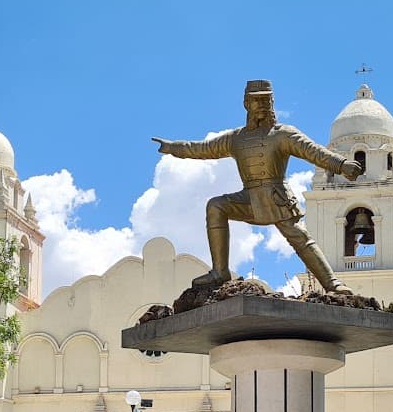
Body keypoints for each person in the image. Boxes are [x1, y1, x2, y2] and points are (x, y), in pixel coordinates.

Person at [151, 79, 364, 294]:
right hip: (248, 199)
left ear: (272, 102)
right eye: (256, 100)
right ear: (246, 103)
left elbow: (313, 152)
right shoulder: (235, 139)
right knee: (216, 206)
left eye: (265, 99)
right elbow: (202, 148)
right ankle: (220, 272)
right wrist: (172, 147)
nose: (261, 104)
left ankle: (333, 284)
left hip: (276, 197)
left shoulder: (283, 134)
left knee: (301, 239)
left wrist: (341, 164)